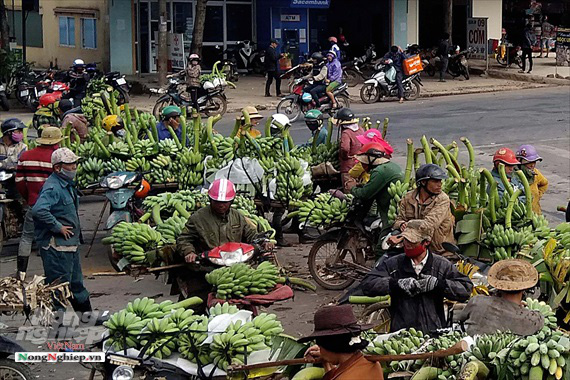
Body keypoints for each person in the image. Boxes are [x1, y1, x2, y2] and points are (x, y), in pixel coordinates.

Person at [360, 220, 473, 332]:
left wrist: (438, 284)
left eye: (413, 242)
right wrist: (396, 284)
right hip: (401, 334)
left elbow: (465, 289)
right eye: (405, 240)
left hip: (434, 333)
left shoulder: (441, 265)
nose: (407, 244)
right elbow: (368, 284)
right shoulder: (393, 264)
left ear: (426, 242)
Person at [176, 179, 274, 300]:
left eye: (225, 202)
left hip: (236, 265)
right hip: (207, 267)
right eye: (217, 202)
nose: (221, 205)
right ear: (210, 200)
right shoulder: (198, 218)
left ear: (231, 201)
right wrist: (189, 252)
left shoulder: (237, 216)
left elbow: (251, 234)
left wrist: (263, 242)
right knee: (198, 301)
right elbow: (184, 239)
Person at [32, 148, 93, 312]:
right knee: (58, 287)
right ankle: (59, 326)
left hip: (70, 245)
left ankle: (87, 317)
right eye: (70, 164)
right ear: (58, 168)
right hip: (56, 247)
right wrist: (58, 227)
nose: (74, 167)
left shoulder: (66, 185)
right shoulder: (53, 188)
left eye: (75, 163)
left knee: (76, 283)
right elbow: (39, 210)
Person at [15, 127, 63, 281]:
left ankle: (21, 273)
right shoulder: (57, 158)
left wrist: (28, 197)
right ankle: (55, 273)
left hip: (33, 203)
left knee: (27, 237)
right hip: (54, 206)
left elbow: (19, 182)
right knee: (54, 236)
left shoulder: (26, 156)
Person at [457, 259, 543, 336]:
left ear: (498, 286)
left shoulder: (477, 301)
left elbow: (461, 319)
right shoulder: (533, 319)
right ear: (525, 288)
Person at [301, 305, 384, 380]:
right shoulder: (374, 365)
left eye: (321, 347)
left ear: (331, 346)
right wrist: (325, 361)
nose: (320, 351)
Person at [389, 164, 455, 255]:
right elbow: (398, 220)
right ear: (423, 182)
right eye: (435, 181)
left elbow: (429, 224)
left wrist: (403, 234)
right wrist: (401, 224)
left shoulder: (442, 199)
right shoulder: (408, 197)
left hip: (438, 250)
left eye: (440, 181)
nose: (440, 184)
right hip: (413, 247)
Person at [348, 142, 402, 241]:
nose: (362, 165)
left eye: (363, 162)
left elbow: (365, 194)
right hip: (388, 207)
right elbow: (373, 186)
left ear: (371, 161)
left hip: (390, 212)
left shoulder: (380, 172)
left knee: (381, 248)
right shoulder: (389, 166)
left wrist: (352, 188)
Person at [335, 108, 364, 192]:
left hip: (348, 167)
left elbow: (345, 148)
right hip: (360, 164)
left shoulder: (346, 133)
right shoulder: (360, 129)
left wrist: (345, 156)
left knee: (349, 190)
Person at [516, 144, 548, 214]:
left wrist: (537, 196)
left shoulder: (535, 173)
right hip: (521, 214)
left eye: (534, 162)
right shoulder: (514, 176)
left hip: (536, 212)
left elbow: (544, 183)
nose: (532, 165)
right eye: (529, 162)